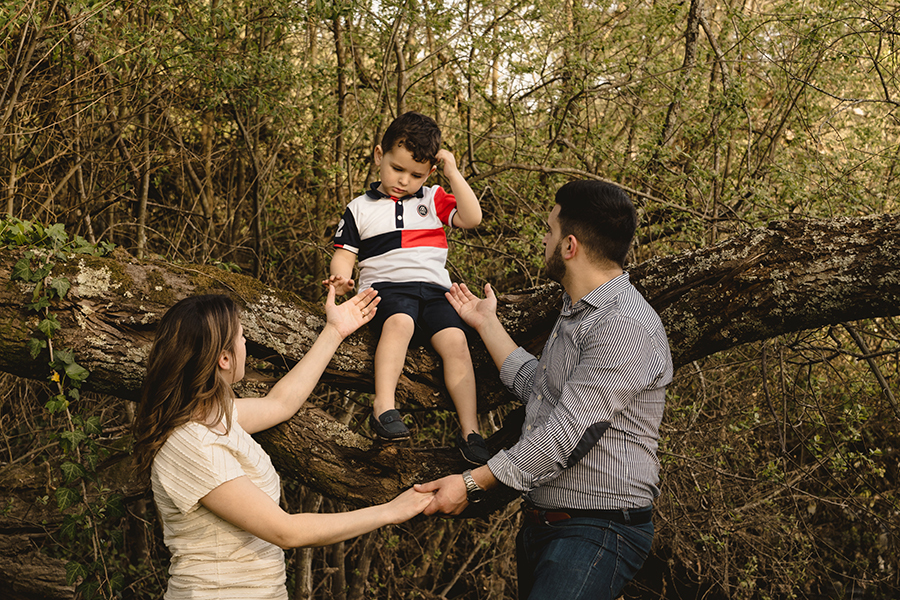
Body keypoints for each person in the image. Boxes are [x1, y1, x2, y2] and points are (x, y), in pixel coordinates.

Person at [415, 180, 674, 600]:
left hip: (598, 529)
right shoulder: (578, 311)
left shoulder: (624, 325)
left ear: (569, 246)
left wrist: (471, 483)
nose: (544, 238)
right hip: (547, 526)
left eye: (550, 231)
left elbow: (568, 435)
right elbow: (543, 391)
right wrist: (487, 324)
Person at [131, 288, 434, 599]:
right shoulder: (190, 443)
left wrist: (335, 330)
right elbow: (286, 532)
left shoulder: (215, 419)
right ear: (223, 358)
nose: (245, 342)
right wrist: (390, 512)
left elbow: (281, 403)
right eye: (241, 336)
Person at [323, 111, 490, 465]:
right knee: (400, 323)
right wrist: (341, 279)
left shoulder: (432, 198)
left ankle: (470, 430)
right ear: (378, 154)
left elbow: (472, 218)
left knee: (456, 342)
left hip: (433, 291)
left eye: (415, 175)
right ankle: (384, 406)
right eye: (397, 169)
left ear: (429, 172)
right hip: (387, 289)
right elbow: (344, 255)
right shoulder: (360, 208)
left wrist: (453, 173)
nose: (404, 180)